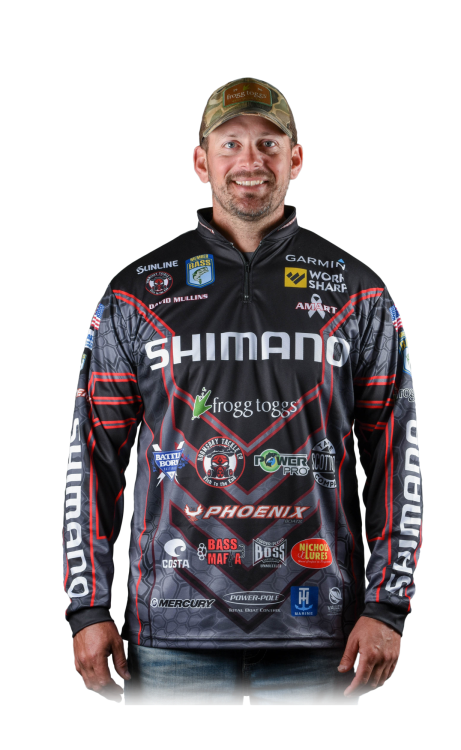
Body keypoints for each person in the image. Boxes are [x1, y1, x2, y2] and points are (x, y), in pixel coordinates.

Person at [64, 77, 423, 706]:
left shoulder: (357, 291)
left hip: (323, 633)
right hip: (170, 636)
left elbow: (398, 455)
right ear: (201, 162)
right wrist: (87, 607)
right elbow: (92, 458)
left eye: (267, 143)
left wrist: (387, 605)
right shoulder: (136, 292)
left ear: (296, 159)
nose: (249, 160)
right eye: (230, 143)